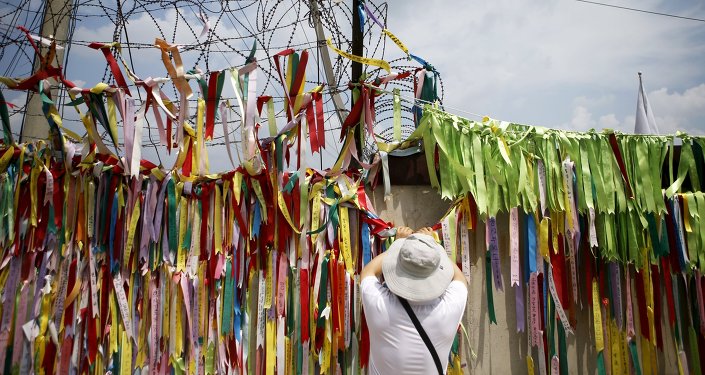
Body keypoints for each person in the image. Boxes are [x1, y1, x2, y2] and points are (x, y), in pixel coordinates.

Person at [360, 226, 468, 375]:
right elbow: (460, 278)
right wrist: (432, 246)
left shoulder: (380, 305)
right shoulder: (450, 308)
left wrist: (398, 245)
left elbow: (368, 272)